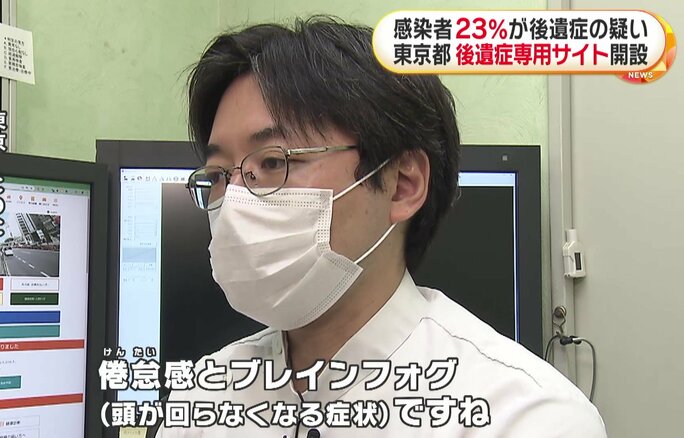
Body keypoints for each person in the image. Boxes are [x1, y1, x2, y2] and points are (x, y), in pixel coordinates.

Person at [157, 16, 606, 437]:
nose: (234, 201)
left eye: (273, 162)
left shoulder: (525, 417)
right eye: (218, 175)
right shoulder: (202, 400)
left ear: (402, 185)